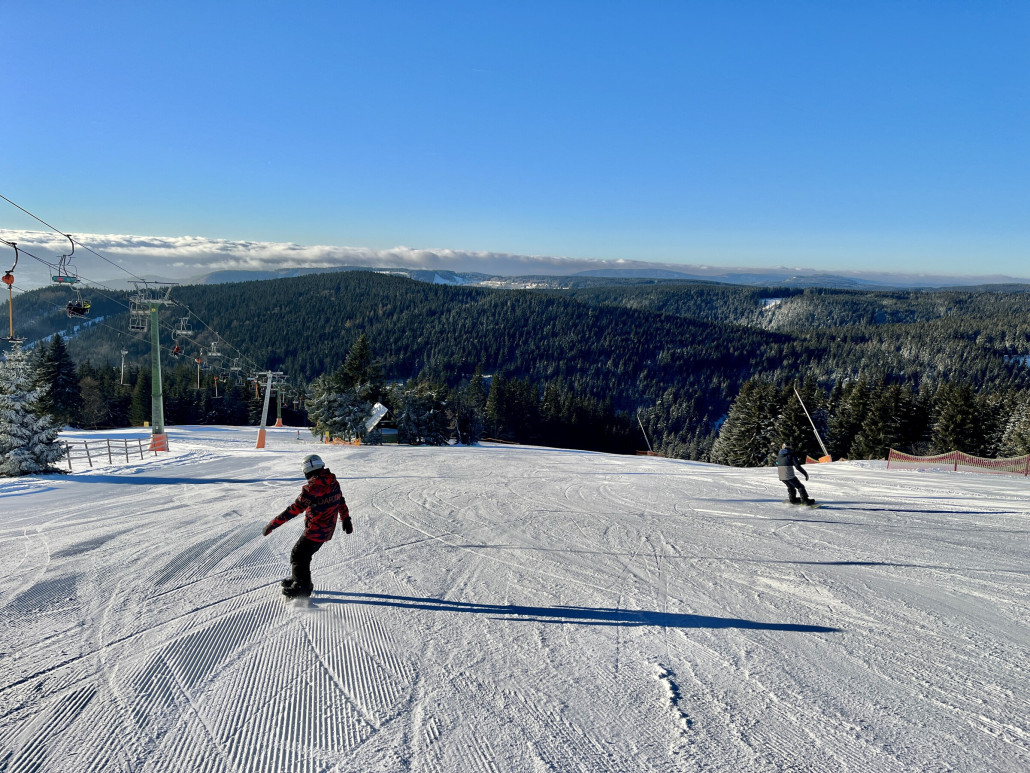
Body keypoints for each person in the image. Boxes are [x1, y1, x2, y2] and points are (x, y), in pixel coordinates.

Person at [263, 453, 352, 598]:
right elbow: (340, 500)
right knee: (304, 555)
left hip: (316, 531)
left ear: (307, 471)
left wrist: (272, 525)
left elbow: (294, 509)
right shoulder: (333, 481)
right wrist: (346, 518)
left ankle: (302, 587)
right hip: (327, 529)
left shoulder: (313, 488)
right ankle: (298, 579)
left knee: (298, 555)